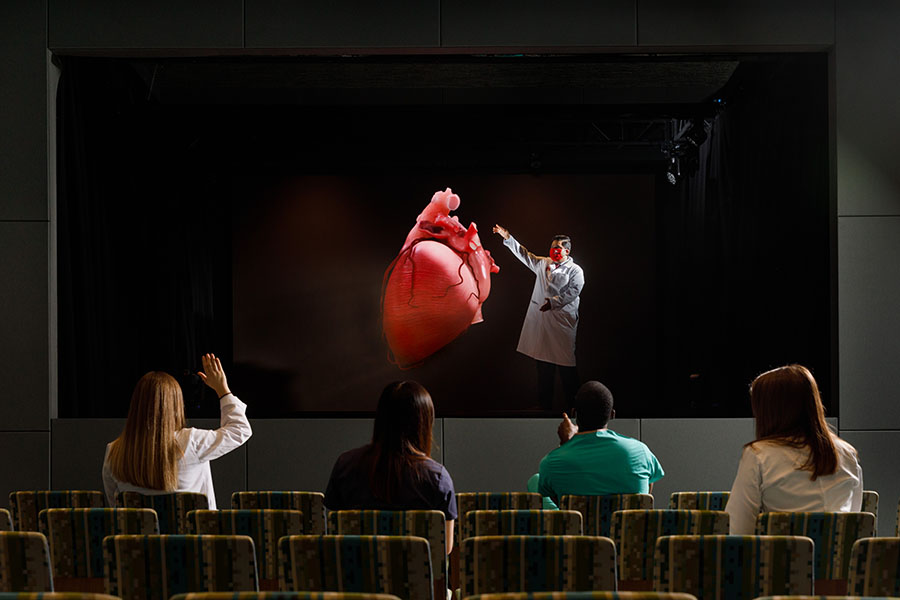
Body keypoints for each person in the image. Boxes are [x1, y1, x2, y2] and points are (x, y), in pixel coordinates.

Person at [725, 364, 863, 534]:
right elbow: (855, 520)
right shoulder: (847, 453)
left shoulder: (758, 455)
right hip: (839, 560)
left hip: (781, 560)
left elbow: (737, 530)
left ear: (768, 412)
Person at [101, 353, 252, 509]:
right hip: (194, 533)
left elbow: (116, 508)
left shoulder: (114, 452)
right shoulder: (191, 442)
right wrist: (223, 390)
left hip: (138, 534)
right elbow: (240, 429)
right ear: (175, 406)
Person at [325, 380, 457, 552]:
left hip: (356, 576)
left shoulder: (345, 465)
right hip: (416, 579)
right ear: (424, 423)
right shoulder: (437, 478)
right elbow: (445, 548)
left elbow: (332, 532)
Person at [492, 224, 584, 410]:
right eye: (552, 247)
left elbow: (574, 291)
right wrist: (507, 237)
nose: (554, 251)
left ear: (566, 250)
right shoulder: (544, 263)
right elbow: (525, 255)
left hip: (562, 324)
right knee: (544, 370)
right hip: (543, 324)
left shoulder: (576, 270)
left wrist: (553, 302)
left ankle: (577, 410)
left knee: (567, 371)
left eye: (558, 248)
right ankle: (545, 412)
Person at [537, 380, 664, 505]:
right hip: (629, 525)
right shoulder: (641, 451)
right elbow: (646, 492)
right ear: (612, 414)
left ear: (574, 413)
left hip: (577, 526)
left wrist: (566, 444)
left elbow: (560, 503)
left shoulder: (551, 462)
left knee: (536, 480)